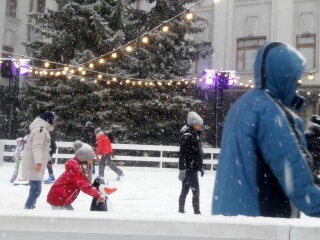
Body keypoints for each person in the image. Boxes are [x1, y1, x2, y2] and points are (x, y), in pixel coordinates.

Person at [212, 41, 320, 218]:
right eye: (295, 79)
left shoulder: (241, 106)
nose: (297, 84)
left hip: (229, 220)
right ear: (284, 77)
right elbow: (302, 190)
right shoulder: (271, 114)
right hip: (264, 225)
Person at [47, 141, 116, 210]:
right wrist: (98, 195)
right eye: (91, 159)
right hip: (58, 198)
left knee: (70, 217)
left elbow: (87, 181)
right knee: (62, 219)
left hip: (63, 198)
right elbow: (84, 186)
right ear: (85, 159)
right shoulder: (75, 170)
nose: (92, 161)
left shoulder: (82, 166)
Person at [21, 111, 56, 209]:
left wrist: (48, 160)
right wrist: (38, 162)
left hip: (36, 164)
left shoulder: (42, 130)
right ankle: (28, 208)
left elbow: (44, 149)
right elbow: (37, 147)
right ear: (49, 120)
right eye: (53, 120)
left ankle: (30, 207)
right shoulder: (40, 130)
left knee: (34, 189)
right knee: (36, 191)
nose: (54, 123)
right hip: (34, 164)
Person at [178, 111, 204, 215]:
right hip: (189, 169)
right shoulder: (188, 136)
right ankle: (197, 213)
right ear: (193, 124)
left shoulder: (195, 135)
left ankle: (181, 210)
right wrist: (183, 169)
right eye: (199, 125)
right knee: (195, 192)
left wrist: (200, 167)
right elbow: (182, 154)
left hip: (192, 168)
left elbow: (197, 154)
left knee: (185, 191)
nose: (200, 127)